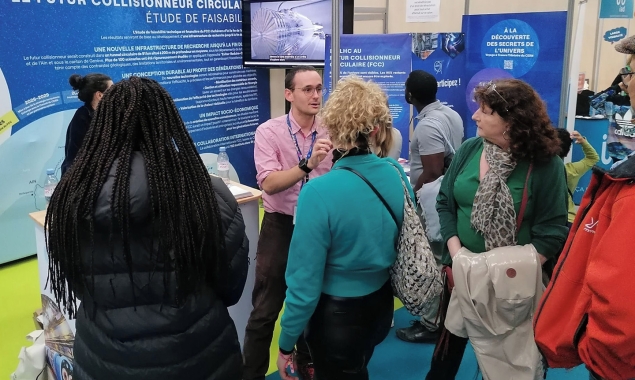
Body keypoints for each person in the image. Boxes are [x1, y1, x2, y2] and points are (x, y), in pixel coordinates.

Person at [45, 77, 249, 380]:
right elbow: (231, 286)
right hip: (198, 358)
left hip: (105, 361)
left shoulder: (71, 201)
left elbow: (78, 286)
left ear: (104, 124)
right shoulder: (208, 194)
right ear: (166, 123)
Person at [426, 79, 569, 379]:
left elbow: (553, 231)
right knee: (444, 359)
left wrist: (499, 270)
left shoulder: (545, 165)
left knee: (514, 363)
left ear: (512, 122)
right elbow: (445, 203)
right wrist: (460, 257)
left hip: (514, 288)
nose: (475, 116)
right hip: (462, 277)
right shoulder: (469, 150)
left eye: (485, 111)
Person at [275, 75, 413, 380]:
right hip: (381, 307)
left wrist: (286, 343)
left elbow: (304, 283)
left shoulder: (318, 192)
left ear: (333, 129)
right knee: (357, 367)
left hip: (335, 319)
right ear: (376, 128)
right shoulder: (396, 175)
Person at [534, 65, 635, 380]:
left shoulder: (623, 189)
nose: (625, 82)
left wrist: (595, 352)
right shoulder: (575, 171)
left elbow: (620, 301)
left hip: (617, 363)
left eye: (630, 72)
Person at [243, 66, 333, 380]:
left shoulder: (330, 129)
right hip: (280, 226)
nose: (315, 95)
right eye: (307, 89)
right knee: (265, 310)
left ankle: (306, 365)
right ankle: (252, 373)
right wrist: (307, 164)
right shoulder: (269, 131)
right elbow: (268, 183)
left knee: (316, 303)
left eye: (319, 88)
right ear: (288, 94)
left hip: (320, 228)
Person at [396, 69, 463, 344]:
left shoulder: (427, 125)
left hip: (431, 201)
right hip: (445, 197)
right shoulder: (451, 114)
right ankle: (442, 318)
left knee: (432, 261)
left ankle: (432, 324)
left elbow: (433, 170)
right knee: (440, 259)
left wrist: (410, 194)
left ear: (409, 95)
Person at [61, 73, 113, 176]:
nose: (117, 94)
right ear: (99, 95)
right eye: (112, 90)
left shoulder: (111, 115)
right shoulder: (81, 118)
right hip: (83, 179)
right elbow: (75, 159)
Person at [555, 129, 599, 227]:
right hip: (568, 219)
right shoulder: (571, 170)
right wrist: (583, 142)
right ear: (567, 151)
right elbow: (593, 158)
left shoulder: (537, 170)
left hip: (546, 220)